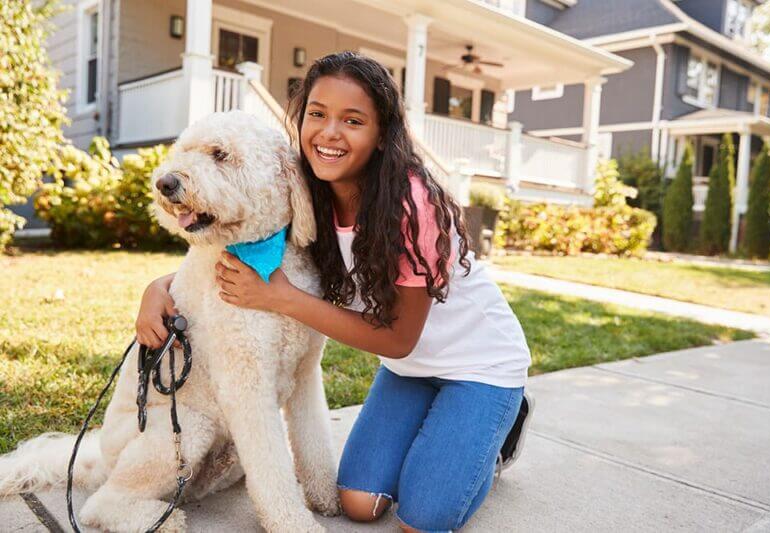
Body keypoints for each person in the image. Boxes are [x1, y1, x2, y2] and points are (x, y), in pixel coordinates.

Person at [136, 51, 532, 532]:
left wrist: (282, 299)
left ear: (382, 133)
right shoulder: (313, 186)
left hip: (479, 366)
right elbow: (236, 242)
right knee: (359, 503)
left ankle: (496, 436)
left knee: (422, 521)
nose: (329, 133)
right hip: (411, 373)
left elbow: (396, 339)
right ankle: (442, 427)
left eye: (353, 120)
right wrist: (159, 289)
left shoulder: (412, 205)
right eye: (317, 114)